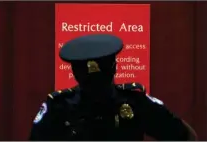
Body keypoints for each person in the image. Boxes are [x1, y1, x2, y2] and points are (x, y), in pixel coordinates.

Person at [29, 34, 197, 141]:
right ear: (114, 67)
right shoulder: (59, 107)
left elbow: (183, 136)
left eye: (98, 81)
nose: (95, 88)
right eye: (91, 82)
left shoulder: (134, 102)